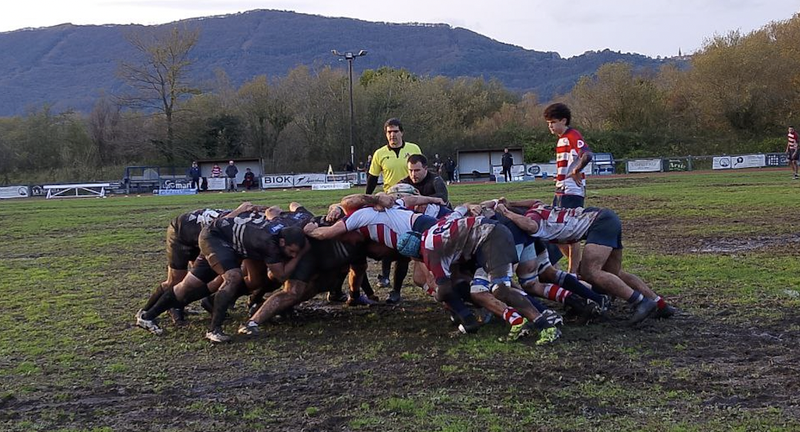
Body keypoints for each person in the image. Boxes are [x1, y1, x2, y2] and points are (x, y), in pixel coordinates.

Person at [494, 198, 676, 324]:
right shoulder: (538, 208)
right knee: (614, 274)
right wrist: (510, 204)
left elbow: (530, 225)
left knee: (590, 272)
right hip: (605, 218)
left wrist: (505, 212)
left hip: (598, 223)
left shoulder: (532, 218)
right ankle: (660, 303)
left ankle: (640, 302)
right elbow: (533, 201)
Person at [365, 118, 423, 295]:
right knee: (388, 240)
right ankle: (384, 275)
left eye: (395, 131)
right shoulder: (379, 153)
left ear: (402, 132)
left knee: (405, 242)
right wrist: (368, 199)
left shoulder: (413, 149)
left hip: (410, 201)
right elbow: (373, 178)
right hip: (389, 202)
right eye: (389, 132)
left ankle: (396, 289)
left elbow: (420, 171)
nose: (392, 135)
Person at [543, 103, 593, 274]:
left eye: (553, 122)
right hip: (560, 190)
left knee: (571, 232)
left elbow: (587, 154)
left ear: (563, 121)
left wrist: (576, 170)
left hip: (571, 191)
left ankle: (574, 272)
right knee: (555, 231)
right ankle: (570, 268)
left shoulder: (573, 135)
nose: (550, 126)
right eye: (548, 122)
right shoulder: (561, 139)